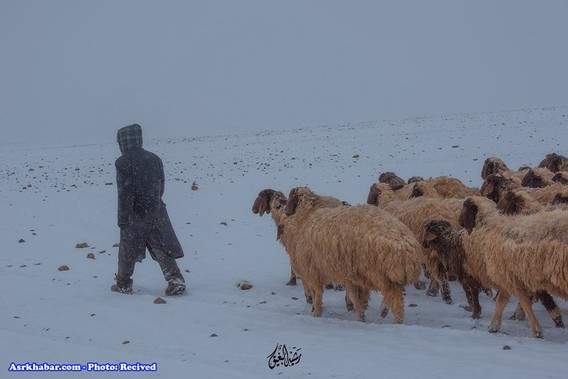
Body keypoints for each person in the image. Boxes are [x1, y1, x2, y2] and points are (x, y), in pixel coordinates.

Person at [111, 123, 186, 296]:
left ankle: (123, 284)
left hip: (134, 213)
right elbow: (161, 186)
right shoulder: (154, 158)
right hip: (156, 210)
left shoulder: (122, 162)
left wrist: (123, 217)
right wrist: (154, 202)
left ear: (122, 142)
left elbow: (124, 192)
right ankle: (175, 280)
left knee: (127, 250)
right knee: (161, 247)